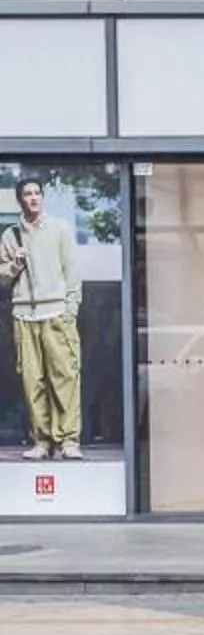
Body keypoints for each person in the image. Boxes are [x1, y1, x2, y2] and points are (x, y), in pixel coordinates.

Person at [0, 180, 83, 460]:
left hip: (56, 313)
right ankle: (42, 441)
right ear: (20, 200)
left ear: (42, 198)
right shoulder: (10, 235)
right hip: (24, 315)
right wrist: (14, 265)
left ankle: (69, 441)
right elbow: (2, 278)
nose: (33, 198)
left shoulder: (60, 228)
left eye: (37, 193)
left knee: (65, 378)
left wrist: (70, 309)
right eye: (27, 194)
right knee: (32, 382)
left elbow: (72, 272)